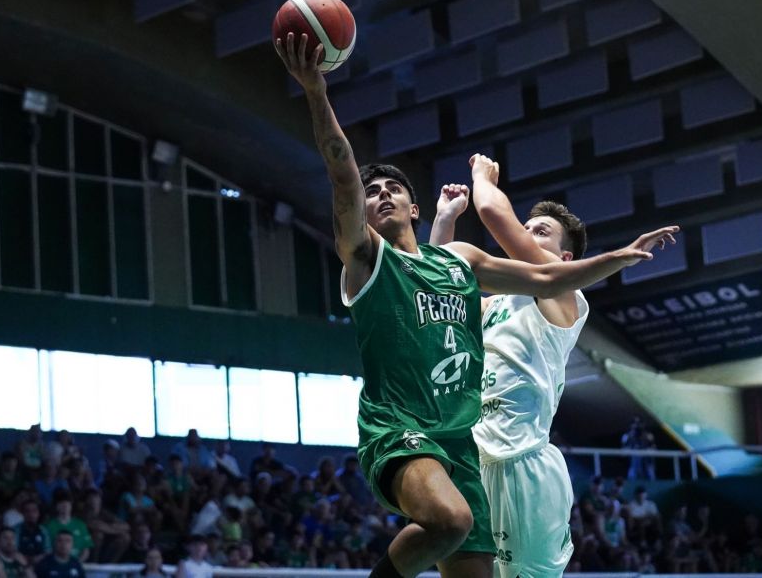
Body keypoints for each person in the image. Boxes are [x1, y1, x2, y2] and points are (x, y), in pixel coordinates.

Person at [275, 31, 678, 578]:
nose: (381, 192)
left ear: (413, 207)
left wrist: (620, 256)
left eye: (393, 187)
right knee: (451, 521)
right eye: (372, 193)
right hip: (406, 428)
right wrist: (316, 91)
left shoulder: (491, 276)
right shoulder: (369, 260)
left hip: (481, 448)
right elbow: (346, 177)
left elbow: (528, 275)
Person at [430, 152, 653, 577]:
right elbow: (439, 286)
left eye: (541, 233)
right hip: (472, 461)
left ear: (564, 261)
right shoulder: (493, 304)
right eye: (527, 228)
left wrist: (482, 177)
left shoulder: (565, 297)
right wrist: (445, 219)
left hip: (524, 466)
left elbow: (494, 213)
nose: (527, 235)